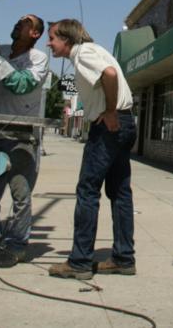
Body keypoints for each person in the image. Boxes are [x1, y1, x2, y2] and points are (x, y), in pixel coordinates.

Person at [46, 18, 136, 280]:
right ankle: (123, 258)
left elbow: (108, 74)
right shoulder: (93, 51)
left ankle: (80, 262)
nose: (49, 43)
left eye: (52, 38)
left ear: (67, 39)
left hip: (110, 125)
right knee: (120, 192)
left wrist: (109, 111)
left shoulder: (83, 52)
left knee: (87, 191)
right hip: (125, 122)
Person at [0, 14, 50, 268]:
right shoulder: (1, 51)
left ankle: (16, 245)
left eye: (25, 22)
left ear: (35, 33)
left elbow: (19, 84)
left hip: (22, 138)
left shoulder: (38, 60)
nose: (18, 22)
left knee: (20, 194)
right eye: (17, 20)